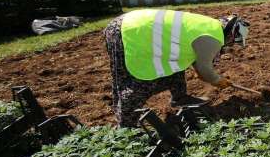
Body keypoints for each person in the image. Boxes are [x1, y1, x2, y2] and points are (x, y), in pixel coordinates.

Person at [104, 9, 249, 127]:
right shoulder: (214, 38)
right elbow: (203, 68)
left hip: (134, 23)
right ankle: (126, 125)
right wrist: (217, 80)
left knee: (177, 62)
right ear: (231, 35)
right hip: (129, 32)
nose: (230, 45)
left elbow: (195, 62)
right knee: (137, 82)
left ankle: (180, 98)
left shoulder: (211, 26)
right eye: (233, 42)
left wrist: (208, 75)